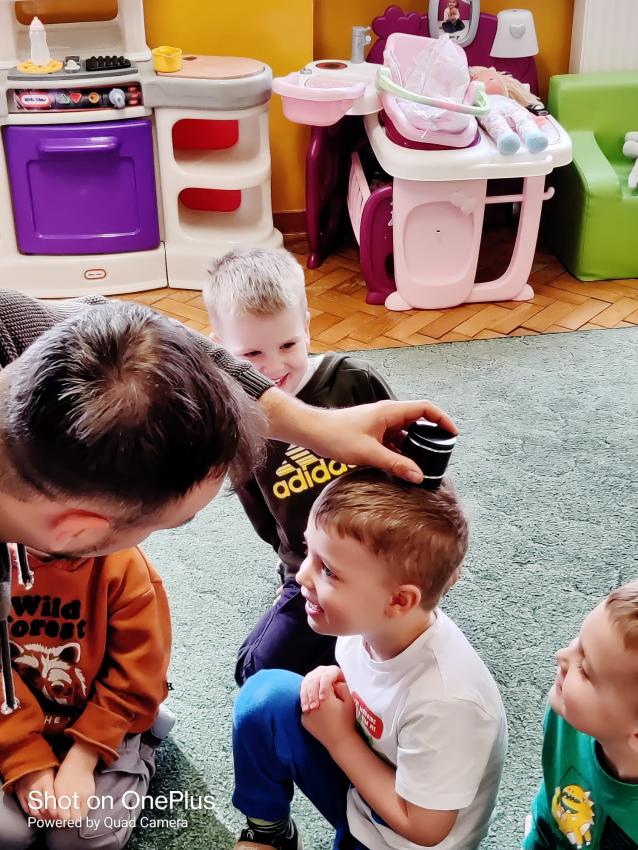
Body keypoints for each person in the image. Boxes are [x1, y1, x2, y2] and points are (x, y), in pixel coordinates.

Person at [0, 291, 457, 712]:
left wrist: (312, 424)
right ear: (76, 532)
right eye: (177, 521)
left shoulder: (11, 323)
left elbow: (119, 321)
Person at [231, 469, 508, 850]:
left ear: (398, 600)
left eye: (329, 570)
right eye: (309, 551)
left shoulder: (448, 702)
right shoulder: (366, 626)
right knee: (264, 698)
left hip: (399, 839)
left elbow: (425, 829)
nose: (304, 576)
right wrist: (333, 679)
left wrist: (340, 740)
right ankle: (269, 832)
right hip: (363, 788)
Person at [205, 248, 395, 684]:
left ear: (307, 327)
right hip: (310, 567)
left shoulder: (354, 381)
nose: (274, 366)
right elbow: (259, 510)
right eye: (252, 354)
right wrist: (292, 563)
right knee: (255, 671)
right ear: (221, 351)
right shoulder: (238, 422)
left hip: (379, 557)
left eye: (288, 344)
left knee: (395, 644)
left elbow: (409, 465)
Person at [0, 544, 171, 850]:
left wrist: (86, 754)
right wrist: (23, 757)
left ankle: (142, 745)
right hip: (9, 722)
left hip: (105, 718)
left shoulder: (124, 566)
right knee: (7, 833)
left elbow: (139, 673)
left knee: (81, 839)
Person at [523, 581, 638, 850]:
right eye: (578, 642)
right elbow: (551, 802)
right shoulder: (568, 715)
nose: (561, 656)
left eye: (585, 669)